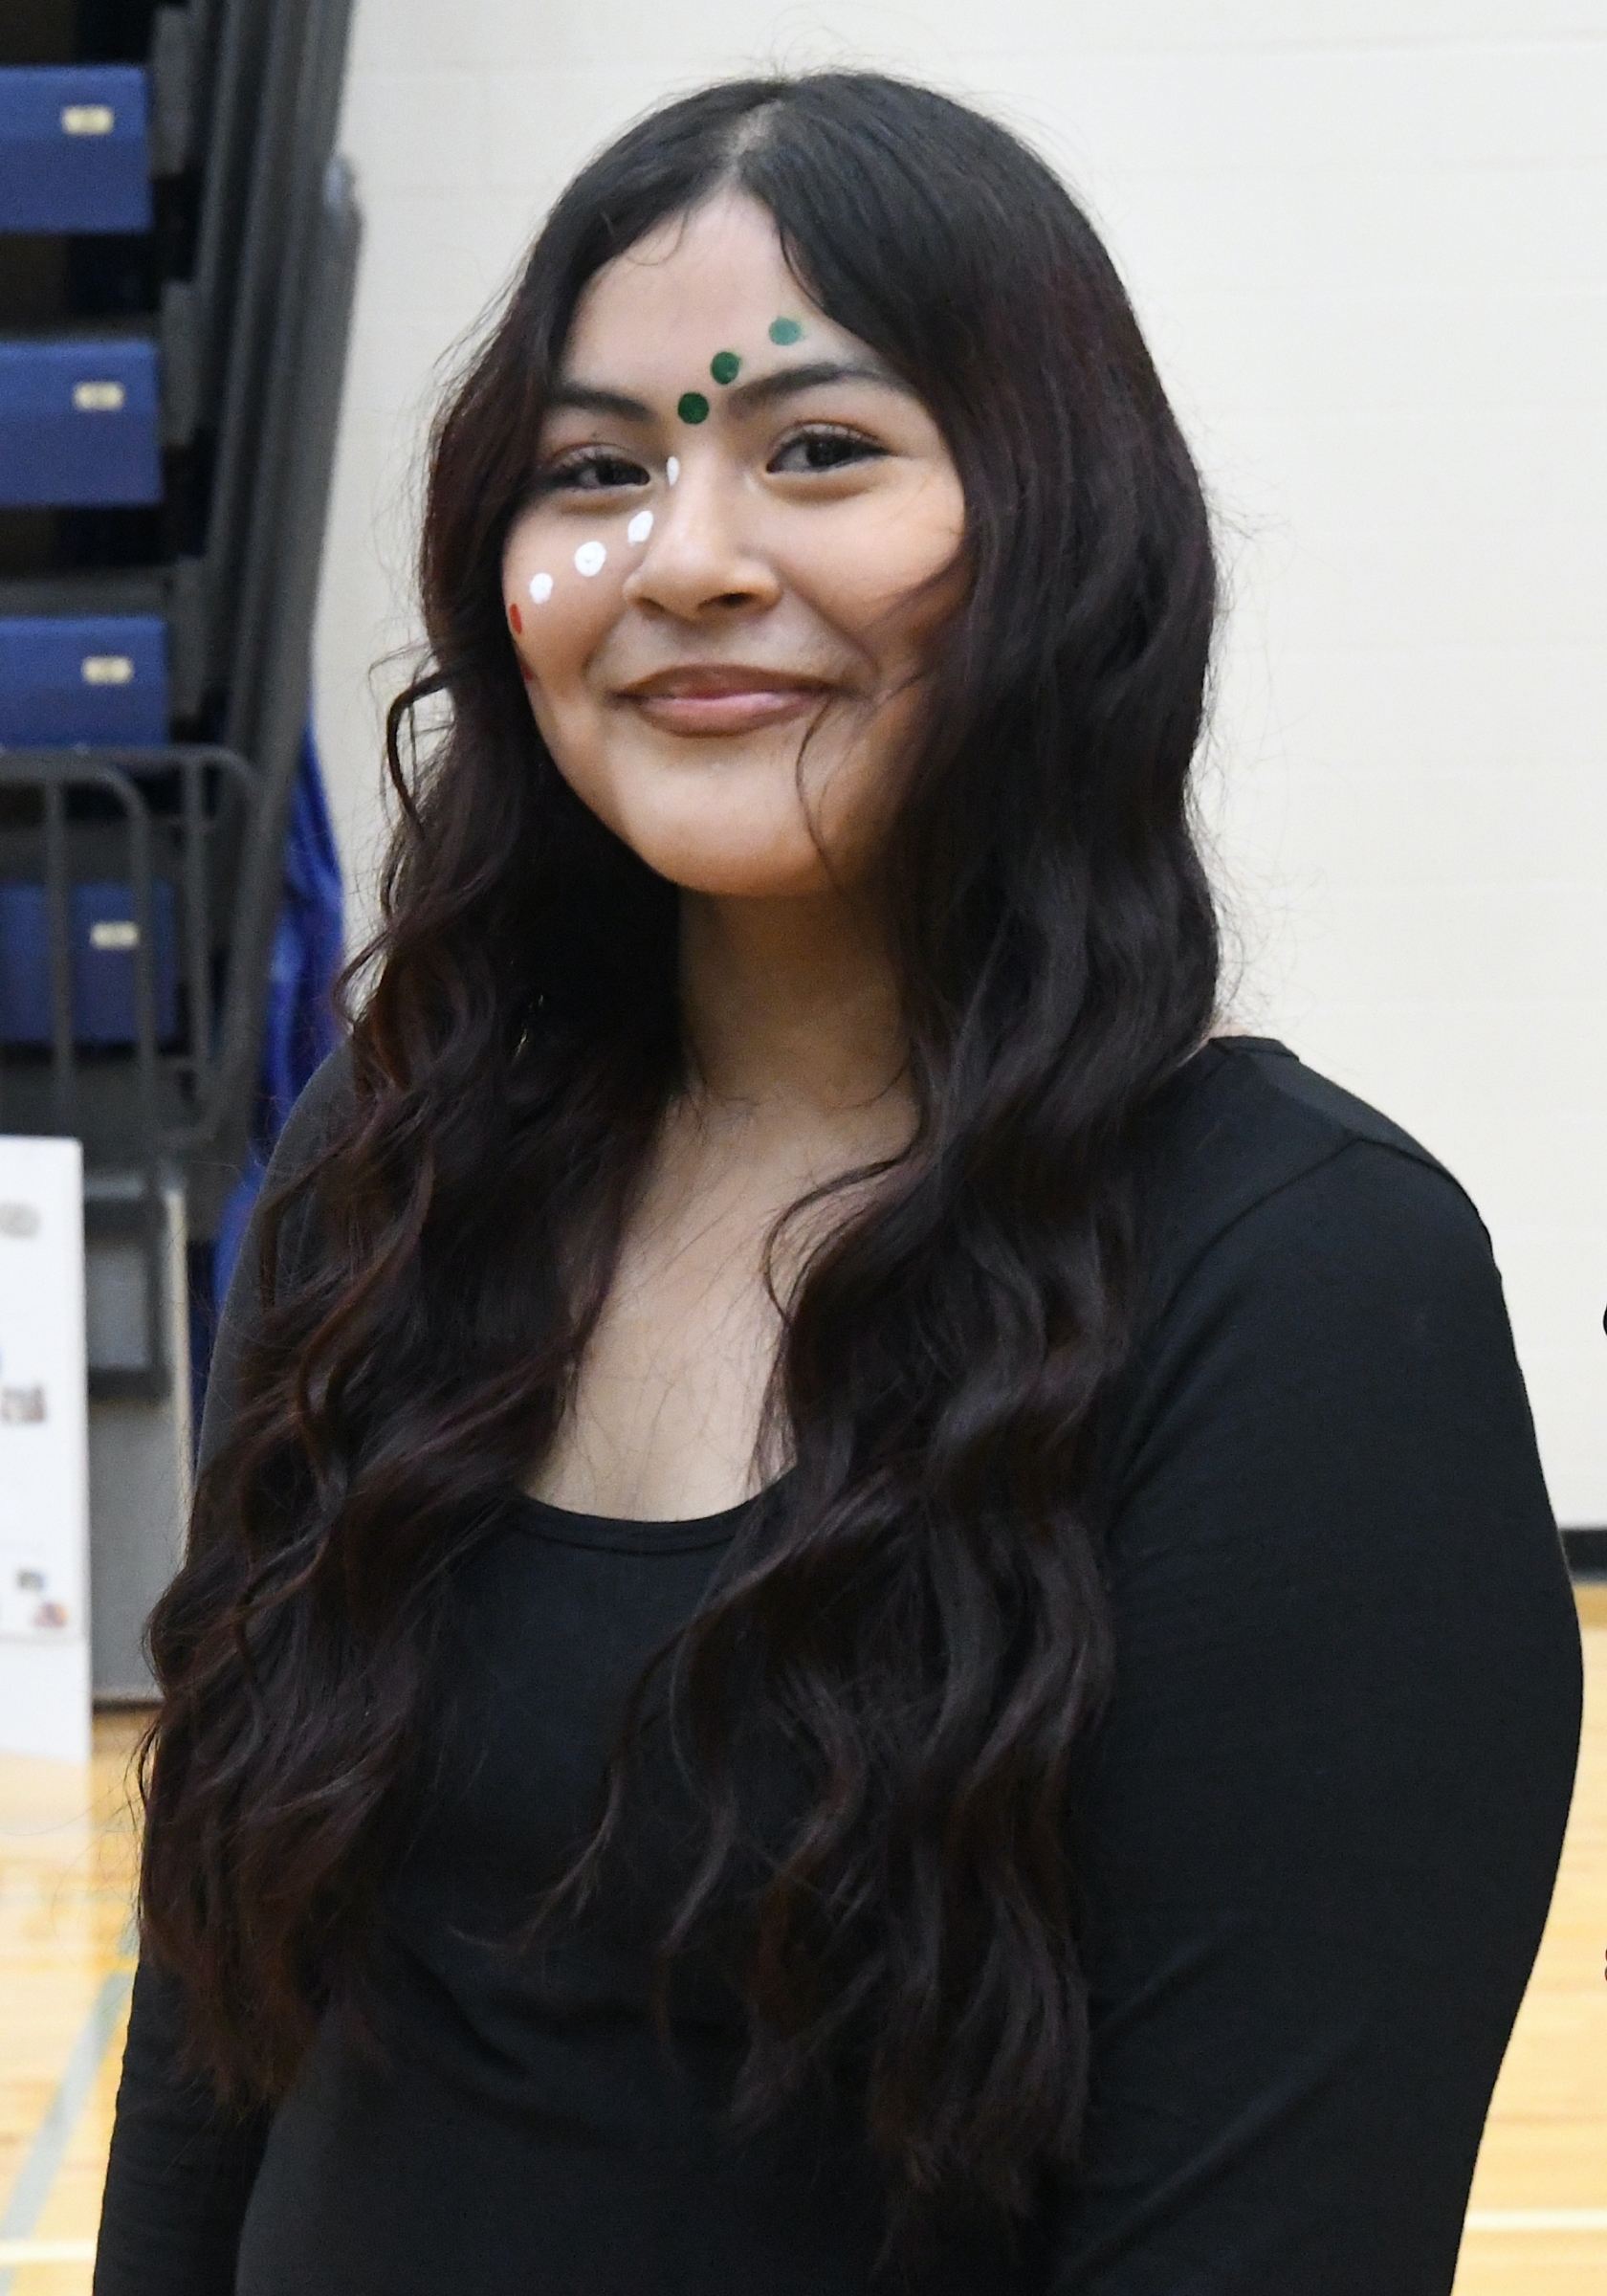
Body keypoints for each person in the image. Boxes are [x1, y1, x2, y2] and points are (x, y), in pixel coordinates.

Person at [94, 72, 1581, 2296]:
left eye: (818, 450)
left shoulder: (1302, 1296)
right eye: (596, 470)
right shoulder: (387, 1171)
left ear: (1061, 528)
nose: (686, 558)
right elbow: (217, 2024)